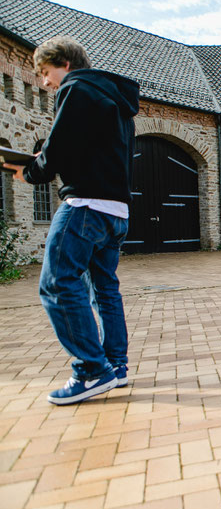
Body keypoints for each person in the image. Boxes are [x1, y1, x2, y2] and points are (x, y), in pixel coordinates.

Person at [2, 36, 140, 405]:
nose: (45, 83)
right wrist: (44, 158)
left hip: (85, 208)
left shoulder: (77, 89)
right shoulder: (115, 98)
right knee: (104, 289)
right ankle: (116, 366)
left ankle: (92, 371)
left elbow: (58, 151)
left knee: (57, 284)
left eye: (45, 73)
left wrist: (29, 171)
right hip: (117, 213)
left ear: (63, 62)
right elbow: (84, 148)